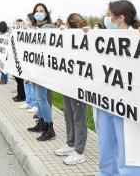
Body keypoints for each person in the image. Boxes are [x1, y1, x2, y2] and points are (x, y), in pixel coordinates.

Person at [94, 0, 140, 176]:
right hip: (105, 102)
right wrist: (82, 34)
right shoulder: (103, 37)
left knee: (129, 151)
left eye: (109, 15)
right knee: (106, 148)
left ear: (120, 18)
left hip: (127, 105)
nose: (106, 19)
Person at [53, 13, 89, 165]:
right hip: (67, 82)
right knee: (68, 114)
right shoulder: (67, 38)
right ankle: (70, 143)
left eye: (69, 25)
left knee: (79, 116)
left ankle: (79, 151)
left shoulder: (87, 36)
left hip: (79, 83)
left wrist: (88, 33)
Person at [27, 3, 56, 142]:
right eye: (37, 11)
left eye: (41, 11)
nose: (39, 13)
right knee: (39, 99)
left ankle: (50, 129)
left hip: (44, 70)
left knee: (42, 99)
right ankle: (42, 123)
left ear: (46, 13)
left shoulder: (49, 28)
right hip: (34, 69)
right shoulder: (34, 28)